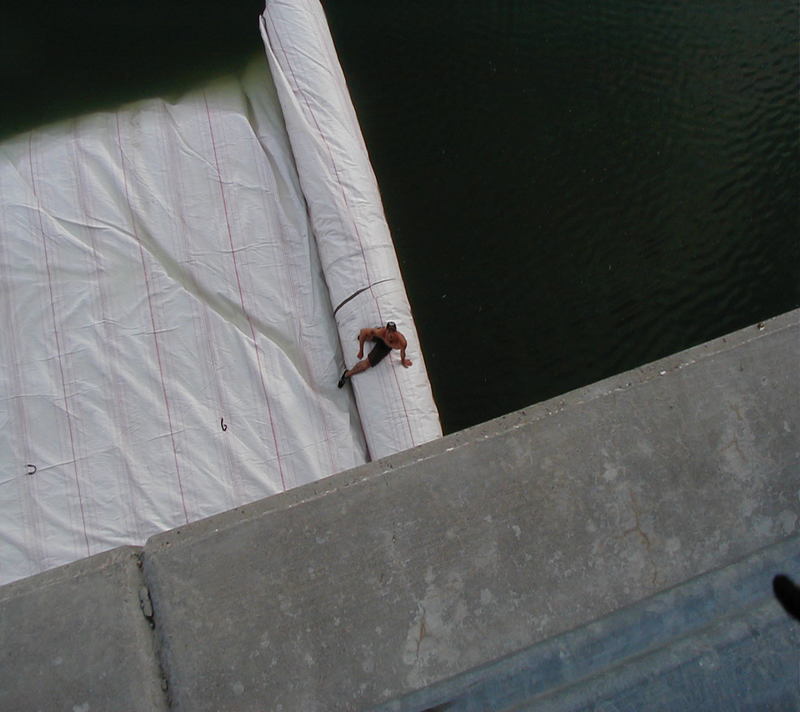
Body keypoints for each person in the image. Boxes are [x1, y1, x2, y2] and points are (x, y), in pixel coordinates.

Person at [338, 321, 412, 387]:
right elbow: (363, 331)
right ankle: (368, 338)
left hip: (385, 347)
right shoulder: (381, 332)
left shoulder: (401, 342)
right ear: (386, 330)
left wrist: (403, 361)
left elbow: (402, 352)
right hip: (380, 337)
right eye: (389, 331)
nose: (390, 335)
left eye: (392, 332)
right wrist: (361, 351)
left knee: (367, 364)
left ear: (395, 332)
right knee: (362, 336)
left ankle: (347, 374)